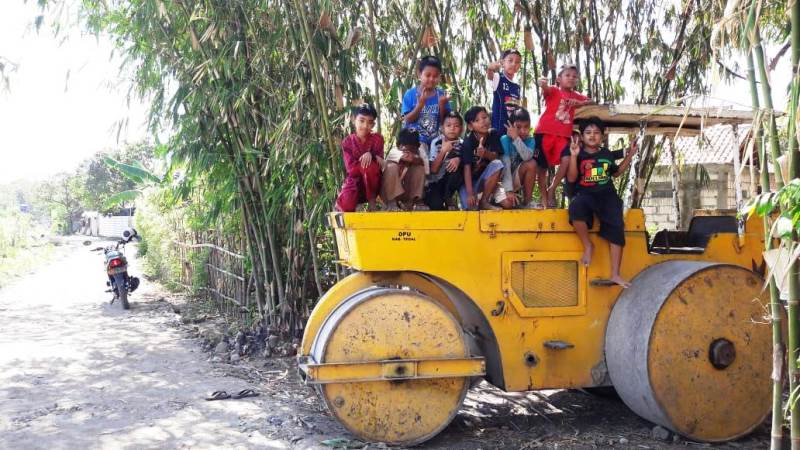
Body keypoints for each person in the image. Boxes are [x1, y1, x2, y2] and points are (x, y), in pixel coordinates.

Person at [567, 117, 637, 288]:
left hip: (607, 195)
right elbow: (572, 177)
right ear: (582, 137)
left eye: (597, 133)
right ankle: (588, 245)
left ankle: (615, 274)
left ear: (602, 136)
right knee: (575, 207)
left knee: (616, 226)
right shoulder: (578, 153)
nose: (592, 136)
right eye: (588, 133)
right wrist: (573, 156)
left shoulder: (606, 154)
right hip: (586, 194)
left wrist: (630, 155)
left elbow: (617, 173)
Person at [536, 63, 592, 205]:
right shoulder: (554, 90)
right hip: (544, 132)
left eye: (574, 76)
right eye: (567, 75)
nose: (571, 78)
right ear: (559, 79)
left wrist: (579, 104)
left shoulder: (576, 95)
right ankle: (543, 198)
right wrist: (542, 84)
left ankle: (552, 189)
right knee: (541, 167)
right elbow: (546, 89)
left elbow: (590, 101)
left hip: (563, 135)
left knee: (566, 160)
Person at [459, 106, 517, 210]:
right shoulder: (468, 142)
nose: (483, 122)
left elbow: (496, 157)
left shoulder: (493, 134)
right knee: (470, 208)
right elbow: (466, 169)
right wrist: (470, 193)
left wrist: (485, 154)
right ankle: (480, 197)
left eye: (484, 117)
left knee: (498, 163)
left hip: (488, 180)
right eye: (477, 120)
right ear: (470, 126)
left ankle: (485, 200)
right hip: (471, 182)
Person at [335, 103, 383, 212]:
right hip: (355, 181)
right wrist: (364, 164)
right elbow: (351, 169)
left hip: (374, 184)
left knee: (370, 166)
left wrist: (372, 155)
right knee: (346, 205)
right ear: (353, 120)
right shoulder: (347, 142)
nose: (365, 126)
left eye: (369, 122)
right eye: (362, 121)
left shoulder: (378, 139)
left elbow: (380, 165)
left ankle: (372, 202)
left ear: (373, 125)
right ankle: (348, 203)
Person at [500, 107, 546, 208]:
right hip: (502, 181)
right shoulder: (504, 140)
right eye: (518, 127)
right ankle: (495, 199)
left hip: (516, 179)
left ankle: (527, 202)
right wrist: (509, 190)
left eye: (526, 127)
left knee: (532, 163)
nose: (523, 131)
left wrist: (516, 138)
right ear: (511, 126)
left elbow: (527, 157)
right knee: (508, 204)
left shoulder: (530, 141)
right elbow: (506, 167)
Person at [402, 55, 452, 146]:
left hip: (434, 142)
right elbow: (408, 119)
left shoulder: (441, 95)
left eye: (435, 76)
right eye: (428, 75)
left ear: (440, 77)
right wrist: (420, 105)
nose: (432, 79)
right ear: (419, 74)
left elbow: (444, 123)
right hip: (413, 142)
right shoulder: (410, 94)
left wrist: (441, 105)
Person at [425, 111, 464, 210]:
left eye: (456, 126)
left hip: (450, 180)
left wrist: (459, 159)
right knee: (435, 205)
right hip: (435, 181)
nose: (452, 128)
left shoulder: (463, 144)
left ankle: (448, 198)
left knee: (459, 167)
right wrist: (443, 151)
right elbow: (433, 169)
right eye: (448, 125)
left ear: (461, 129)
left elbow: (469, 165)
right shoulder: (436, 142)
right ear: (442, 128)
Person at [382, 128, 428, 211]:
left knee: (419, 168)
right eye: (404, 147)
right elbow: (408, 158)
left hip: (406, 193)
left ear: (417, 147)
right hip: (388, 193)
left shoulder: (421, 152)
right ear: (398, 145)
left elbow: (427, 171)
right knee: (391, 167)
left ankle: (412, 202)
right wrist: (415, 158)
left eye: (412, 148)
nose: (407, 151)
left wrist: (417, 159)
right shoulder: (394, 152)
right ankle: (391, 203)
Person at [487, 49, 522, 135]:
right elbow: (490, 76)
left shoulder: (517, 87)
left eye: (517, 62)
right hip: (498, 131)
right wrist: (490, 68)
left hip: (511, 132)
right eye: (510, 60)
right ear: (502, 63)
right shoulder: (498, 78)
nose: (514, 64)